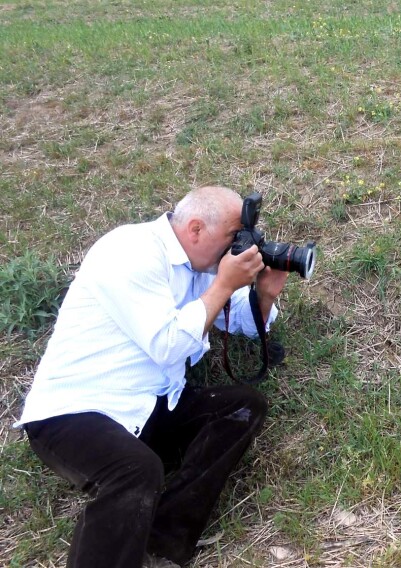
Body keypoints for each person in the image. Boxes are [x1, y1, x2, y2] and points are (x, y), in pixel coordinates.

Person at [14, 186, 289, 567]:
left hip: (149, 408)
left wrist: (264, 295)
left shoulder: (198, 264)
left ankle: (160, 544)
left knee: (242, 407)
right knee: (135, 470)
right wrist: (224, 284)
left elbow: (239, 319)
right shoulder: (130, 251)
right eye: (232, 238)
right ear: (195, 229)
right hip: (74, 414)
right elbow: (168, 345)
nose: (236, 249)